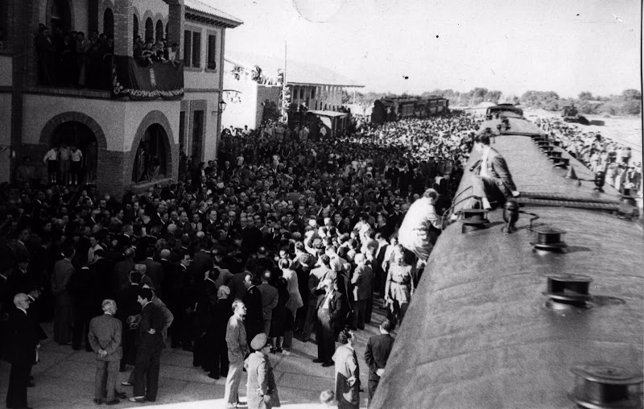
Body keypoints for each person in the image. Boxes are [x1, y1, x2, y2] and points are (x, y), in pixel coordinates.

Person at [129, 287, 165, 403]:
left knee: (140, 368)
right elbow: (163, 321)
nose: (138, 300)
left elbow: (145, 323)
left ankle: (139, 395)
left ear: (145, 299)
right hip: (157, 343)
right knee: (153, 370)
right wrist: (155, 329)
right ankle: (151, 395)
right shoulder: (157, 308)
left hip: (145, 344)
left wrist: (148, 328)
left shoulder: (146, 310)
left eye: (139, 298)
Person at [4, 293, 39, 409]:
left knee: (16, 379)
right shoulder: (20, 316)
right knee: (20, 380)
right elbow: (25, 336)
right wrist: (35, 343)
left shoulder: (17, 315)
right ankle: (19, 405)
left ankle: (13, 403)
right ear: (19, 303)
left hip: (18, 354)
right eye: (26, 300)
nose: (29, 302)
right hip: (22, 354)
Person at [88, 299, 126, 405]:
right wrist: (107, 351)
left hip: (99, 353)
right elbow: (117, 340)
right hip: (113, 354)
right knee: (112, 375)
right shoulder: (117, 322)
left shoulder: (94, 321)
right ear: (112, 308)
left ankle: (98, 397)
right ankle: (110, 398)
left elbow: (91, 338)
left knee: (99, 374)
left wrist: (99, 349)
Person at [471, 131, 520, 210]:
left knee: (476, 178)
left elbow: (504, 175)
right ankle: (456, 215)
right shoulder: (485, 155)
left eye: (476, 147)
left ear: (481, 145)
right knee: (471, 202)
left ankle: (484, 200)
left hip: (497, 188)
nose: (476, 150)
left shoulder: (495, 157)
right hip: (486, 187)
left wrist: (513, 190)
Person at [398, 188, 442, 261]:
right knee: (434, 257)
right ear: (431, 198)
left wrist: (439, 217)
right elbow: (438, 225)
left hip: (404, 236)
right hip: (417, 238)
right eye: (435, 201)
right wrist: (449, 220)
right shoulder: (429, 207)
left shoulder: (417, 202)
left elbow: (424, 216)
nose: (434, 203)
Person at [224, 299, 250, 409]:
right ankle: (230, 403)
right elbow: (231, 340)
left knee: (236, 379)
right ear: (235, 309)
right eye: (243, 307)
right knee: (233, 379)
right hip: (236, 354)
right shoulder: (234, 321)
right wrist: (238, 353)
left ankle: (234, 400)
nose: (245, 309)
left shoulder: (238, 320)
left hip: (239, 353)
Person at [245, 333, 281, 409]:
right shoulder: (262, 362)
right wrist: (262, 391)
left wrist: (251, 378)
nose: (271, 347)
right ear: (263, 349)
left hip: (251, 393)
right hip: (260, 397)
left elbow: (246, 365)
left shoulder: (251, 356)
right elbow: (262, 379)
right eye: (268, 345)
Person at [364, 319, 395, 401]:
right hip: (388, 377)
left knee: (372, 401)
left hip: (374, 376)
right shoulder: (394, 342)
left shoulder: (372, 339)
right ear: (391, 329)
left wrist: (376, 369)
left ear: (380, 327)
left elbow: (367, 357)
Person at [332, 328, 360, 409]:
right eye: (353, 335)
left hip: (339, 385)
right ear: (349, 339)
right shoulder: (350, 354)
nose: (355, 336)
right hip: (349, 388)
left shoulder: (339, 349)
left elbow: (334, 359)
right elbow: (354, 370)